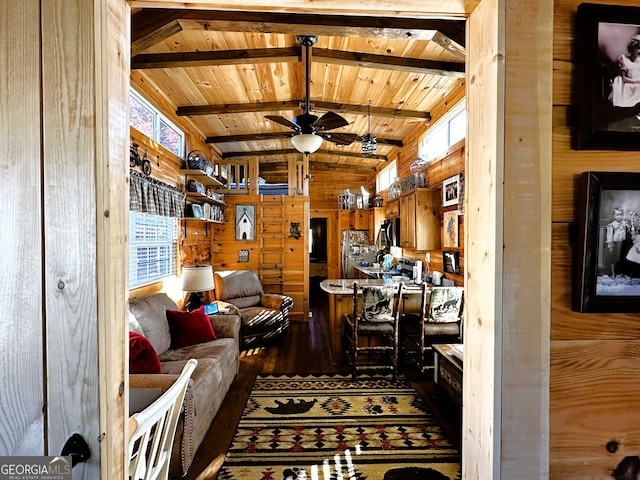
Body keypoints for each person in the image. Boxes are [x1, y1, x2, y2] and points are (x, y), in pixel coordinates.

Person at [608, 34, 640, 110]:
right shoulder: (624, 60)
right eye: (637, 48)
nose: (639, 51)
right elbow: (624, 79)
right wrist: (636, 81)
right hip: (627, 84)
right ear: (632, 49)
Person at [605, 206, 630, 279]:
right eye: (617, 215)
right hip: (615, 244)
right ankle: (613, 273)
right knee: (613, 259)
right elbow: (609, 236)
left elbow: (627, 229)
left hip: (623, 243)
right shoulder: (612, 225)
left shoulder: (624, 224)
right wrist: (610, 245)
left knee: (622, 259)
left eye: (621, 215)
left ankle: (621, 272)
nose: (619, 217)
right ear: (614, 216)